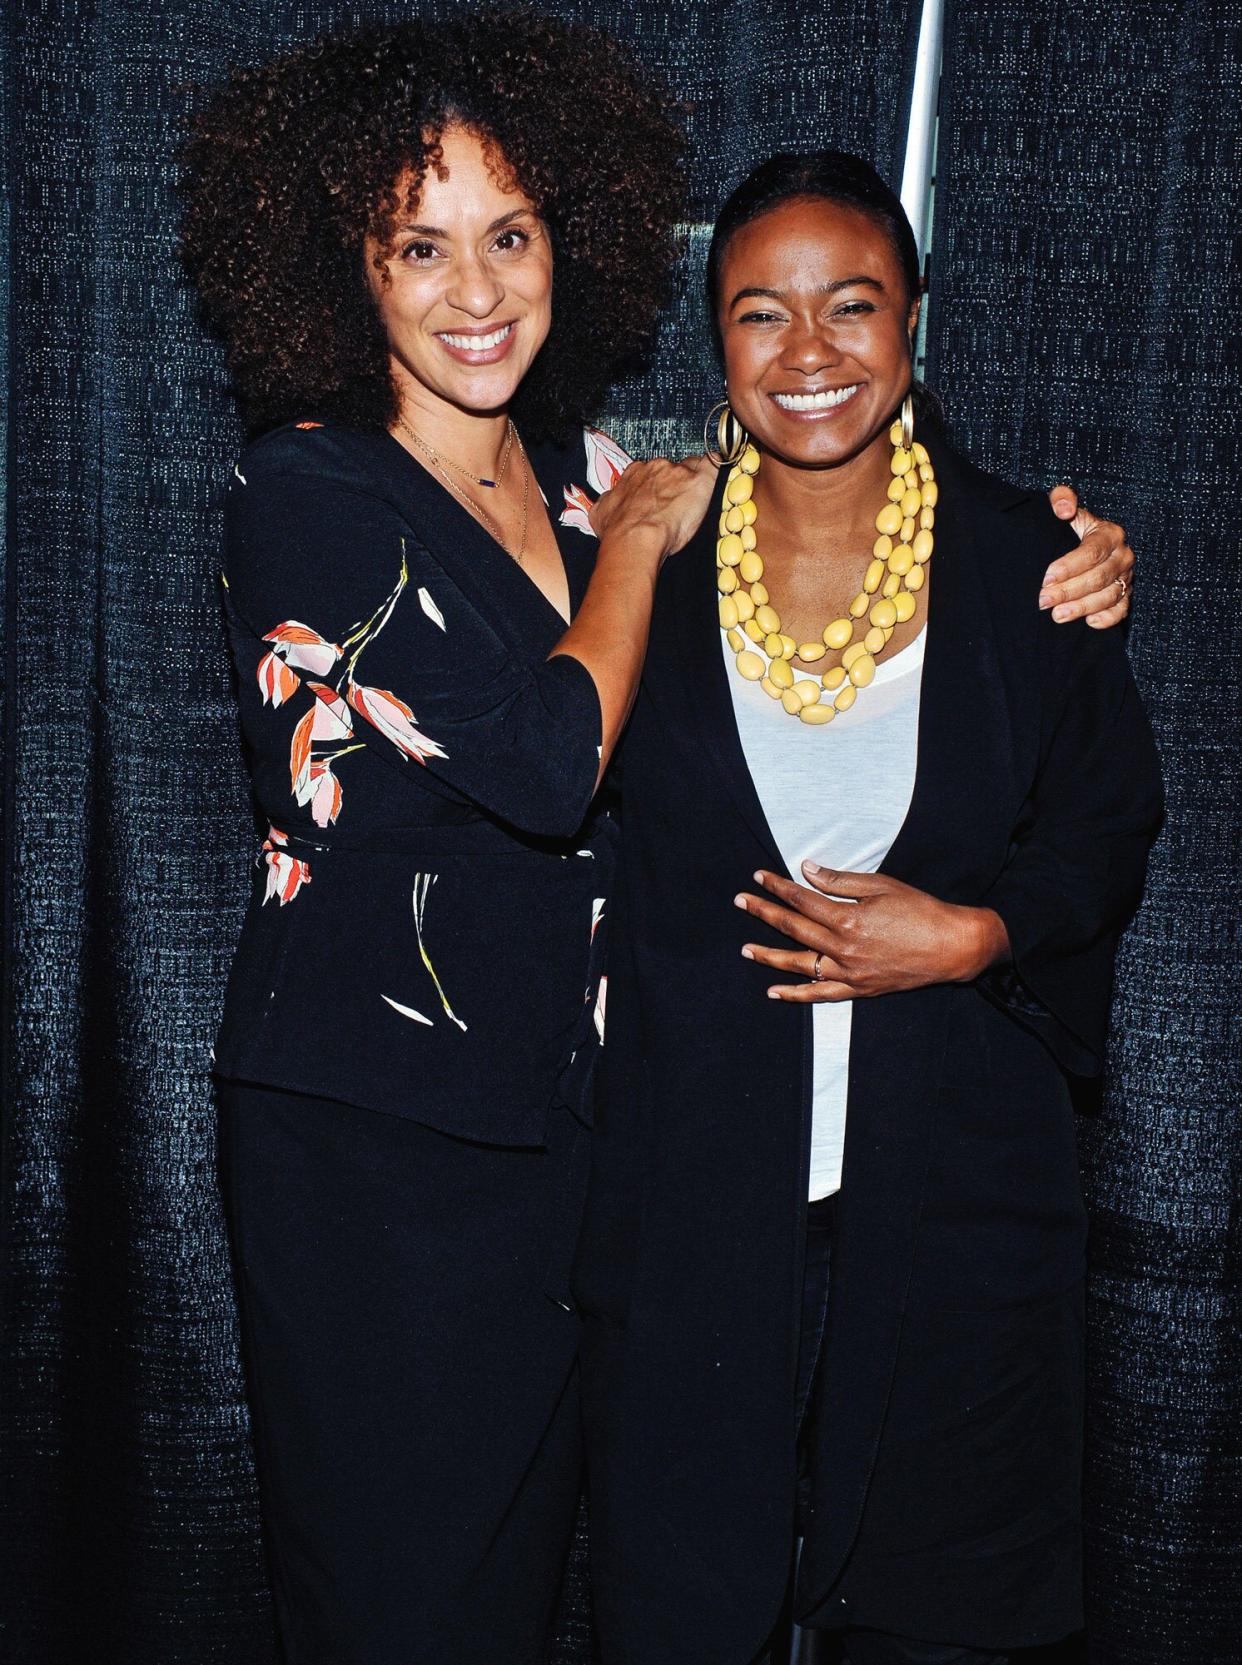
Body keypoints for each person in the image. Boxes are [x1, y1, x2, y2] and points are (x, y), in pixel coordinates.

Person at [575, 151, 1162, 1665]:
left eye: (852, 305)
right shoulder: (647, 559)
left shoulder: (1032, 564)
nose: (810, 351)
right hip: (696, 1194)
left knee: (941, 1603)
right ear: (714, 341)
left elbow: (1106, 819)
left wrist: (977, 935)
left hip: (953, 1190)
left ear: (914, 321)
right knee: (681, 1602)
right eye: (760, 314)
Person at [181, 16, 713, 1663]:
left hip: (564, 1135)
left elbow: (844, 547)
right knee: (397, 1607)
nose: (476, 290)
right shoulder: (310, 493)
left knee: (514, 1592)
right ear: (345, 266)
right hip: (376, 1149)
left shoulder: (582, 478)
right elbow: (551, 760)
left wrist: (1061, 550)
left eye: (510, 233)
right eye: (421, 243)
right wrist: (634, 547)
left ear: (574, 240)